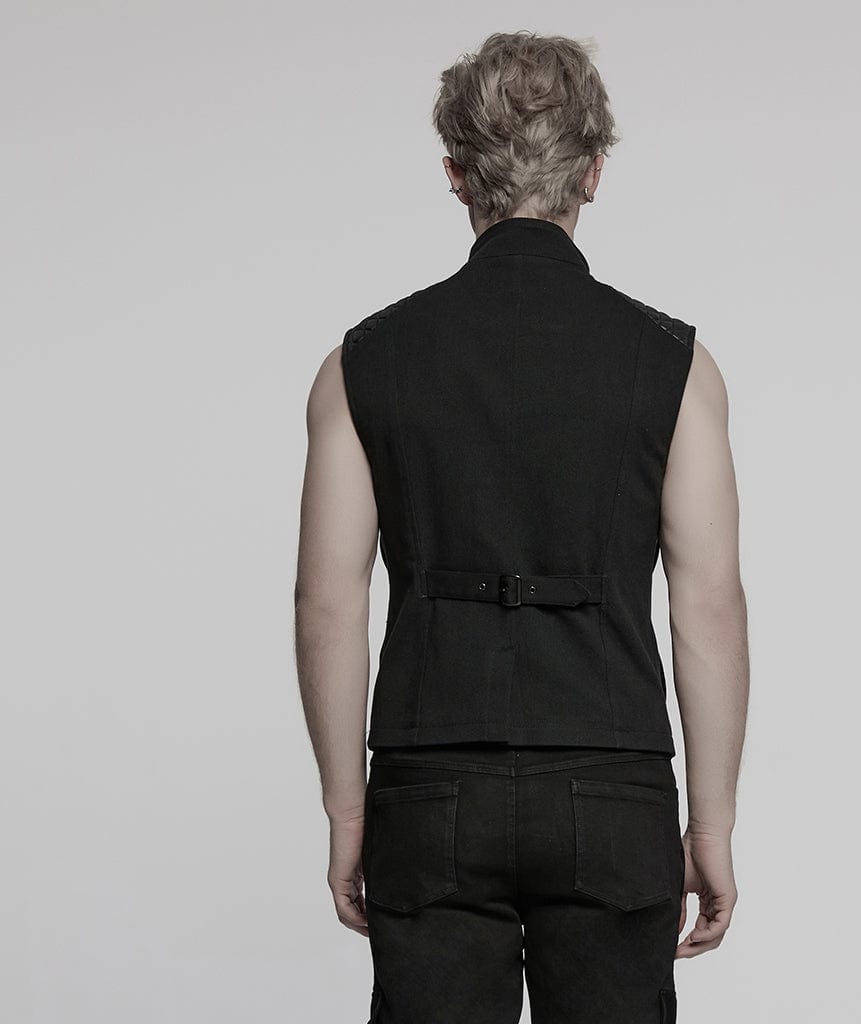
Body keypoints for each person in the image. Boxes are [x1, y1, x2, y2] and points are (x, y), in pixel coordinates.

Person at [294, 30, 749, 1024]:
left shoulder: (362, 363)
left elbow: (328, 601)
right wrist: (710, 824)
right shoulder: (674, 366)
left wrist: (347, 810)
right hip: (612, 789)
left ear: (457, 173)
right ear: (592, 171)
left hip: (430, 791)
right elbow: (708, 604)